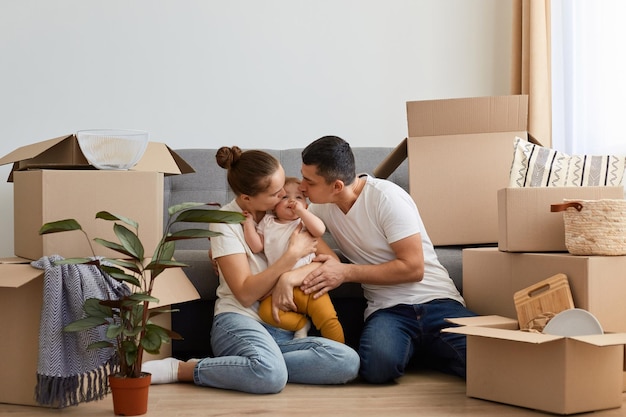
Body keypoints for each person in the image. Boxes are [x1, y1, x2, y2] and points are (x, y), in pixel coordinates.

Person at [142, 146, 359, 394]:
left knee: (348, 361)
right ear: (247, 198)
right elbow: (245, 294)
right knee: (271, 375)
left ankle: (254, 366)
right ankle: (184, 369)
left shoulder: (286, 215)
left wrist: (287, 279)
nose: (286, 197)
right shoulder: (225, 222)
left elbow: (329, 261)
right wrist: (291, 257)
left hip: (281, 328)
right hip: (238, 321)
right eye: (276, 193)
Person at [294, 135, 477, 383]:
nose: (302, 186)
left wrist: (346, 272)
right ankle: (423, 349)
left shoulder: (386, 198)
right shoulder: (320, 207)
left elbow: (413, 269)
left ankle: (420, 349)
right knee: (378, 369)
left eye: (309, 181)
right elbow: (296, 233)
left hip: (436, 301)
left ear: (337, 186)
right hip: (388, 310)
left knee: (491, 359)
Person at [244, 176, 345, 343]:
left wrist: (302, 212)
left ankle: (341, 351)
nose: (292, 200)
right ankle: (301, 324)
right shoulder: (267, 222)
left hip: (309, 285)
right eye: (284, 197)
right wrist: (248, 224)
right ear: (274, 207)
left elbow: (319, 230)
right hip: (279, 289)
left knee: (327, 317)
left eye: (298, 197)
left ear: (306, 204)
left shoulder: (304, 223)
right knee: (266, 313)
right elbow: (256, 246)